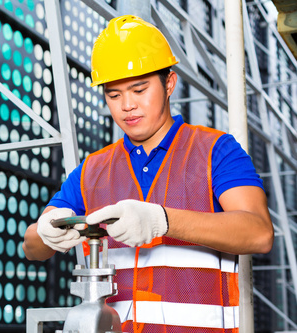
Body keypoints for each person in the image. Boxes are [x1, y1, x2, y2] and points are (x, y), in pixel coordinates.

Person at [22, 15, 274, 332]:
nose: (127, 105)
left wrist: (161, 221)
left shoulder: (215, 151)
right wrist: (46, 232)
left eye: (139, 89)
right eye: (113, 95)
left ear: (169, 83)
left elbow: (259, 233)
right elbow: (32, 247)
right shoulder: (92, 170)